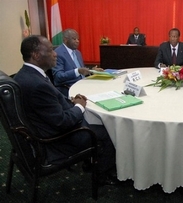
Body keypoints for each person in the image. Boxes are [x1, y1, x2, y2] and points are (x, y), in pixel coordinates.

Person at [14, 35, 118, 186]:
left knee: (94, 120)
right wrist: (79, 106)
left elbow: (48, 103)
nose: (55, 53)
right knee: (109, 131)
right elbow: (63, 122)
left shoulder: (25, 75)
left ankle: (91, 162)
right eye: (50, 50)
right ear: (36, 55)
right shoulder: (37, 84)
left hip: (43, 127)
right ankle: (103, 175)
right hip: (57, 138)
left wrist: (70, 101)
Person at [52, 28, 104, 97]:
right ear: (65, 40)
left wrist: (92, 70)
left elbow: (82, 72)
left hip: (83, 84)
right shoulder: (58, 53)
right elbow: (58, 77)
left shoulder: (77, 52)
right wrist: (77, 71)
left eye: (78, 39)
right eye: (74, 39)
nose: (77, 41)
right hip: (68, 88)